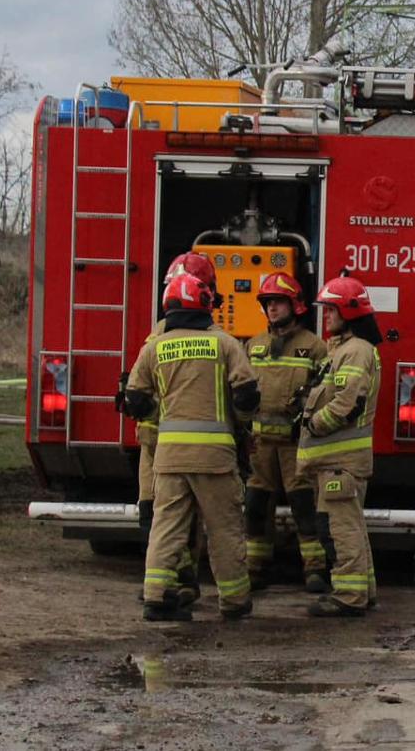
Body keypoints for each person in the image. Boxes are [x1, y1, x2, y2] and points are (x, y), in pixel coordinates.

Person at [122, 271, 260, 621]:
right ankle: (234, 601)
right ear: (205, 306)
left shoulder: (155, 346)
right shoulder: (226, 344)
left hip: (168, 457)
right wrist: (240, 423)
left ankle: (155, 595)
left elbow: (134, 400)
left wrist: (163, 412)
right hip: (215, 458)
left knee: (166, 525)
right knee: (223, 529)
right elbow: (246, 395)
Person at [128, 253, 220, 606]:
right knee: (167, 517)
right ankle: (171, 584)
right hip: (165, 443)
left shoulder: (160, 335)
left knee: (166, 516)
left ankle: (175, 584)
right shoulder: (201, 336)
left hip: (162, 444)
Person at [241, 272, 330, 593]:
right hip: (260, 446)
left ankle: (316, 570)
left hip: (297, 445)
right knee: (254, 506)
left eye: (278, 302)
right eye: (268, 303)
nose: (272, 309)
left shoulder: (315, 348)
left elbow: (326, 391)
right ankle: (254, 567)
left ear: (295, 305)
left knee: (304, 506)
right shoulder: (253, 345)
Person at [300, 276, 383, 618]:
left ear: (349, 312)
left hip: (341, 461)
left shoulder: (356, 352)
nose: (326, 316)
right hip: (335, 460)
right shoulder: (343, 349)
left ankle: (349, 596)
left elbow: (348, 403)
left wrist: (314, 423)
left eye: (331, 309)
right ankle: (363, 589)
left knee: (340, 529)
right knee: (346, 526)